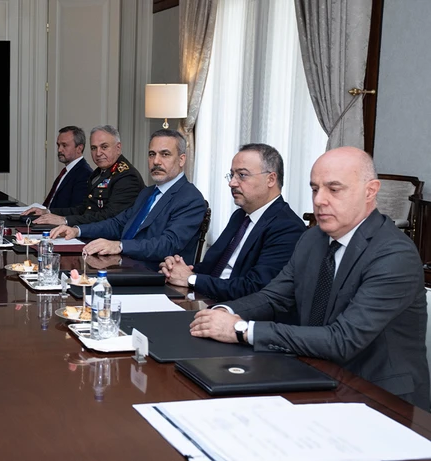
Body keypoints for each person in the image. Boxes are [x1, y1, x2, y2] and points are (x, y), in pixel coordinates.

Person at [190, 147, 429, 408]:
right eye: (315, 189)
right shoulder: (312, 239)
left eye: (334, 189)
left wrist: (242, 330)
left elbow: (342, 340)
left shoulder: (394, 254)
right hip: (312, 371)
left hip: (378, 395)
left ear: (370, 191)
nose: (320, 200)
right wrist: (223, 312)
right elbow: (273, 297)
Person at [160, 144, 306, 301]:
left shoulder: (288, 227)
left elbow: (255, 288)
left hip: (237, 309)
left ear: (270, 179)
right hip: (206, 298)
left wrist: (191, 279)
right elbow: (211, 265)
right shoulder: (240, 216)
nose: (232, 183)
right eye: (232, 175)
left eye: (242, 175)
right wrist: (178, 270)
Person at [50, 129, 206, 262]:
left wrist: (120, 246)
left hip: (153, 273)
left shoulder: (190, 199)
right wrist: (77, 230)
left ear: (181, 160)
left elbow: (168, 244)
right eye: (152, 154)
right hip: (123, 263)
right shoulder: (148, 193)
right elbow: (117, 224)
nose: (156, 161)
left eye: (165, 154)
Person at [23, 125, 145, 226]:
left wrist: (65, 220)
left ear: (118, 148)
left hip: (110, 241)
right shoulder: (99, 173)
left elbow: (109, 217)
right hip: (92, 232)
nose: (98, 153)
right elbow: (84, 209)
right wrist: (48, 212)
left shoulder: (127, 176)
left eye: (104, 147)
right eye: (93, 148)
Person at [34, 126, 92, 210]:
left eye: (64, 145)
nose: (59, 150)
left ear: (79, 148)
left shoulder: (84, 174)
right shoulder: (66, 171)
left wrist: (48, 213)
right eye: (58, 145)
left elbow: (76, 210)